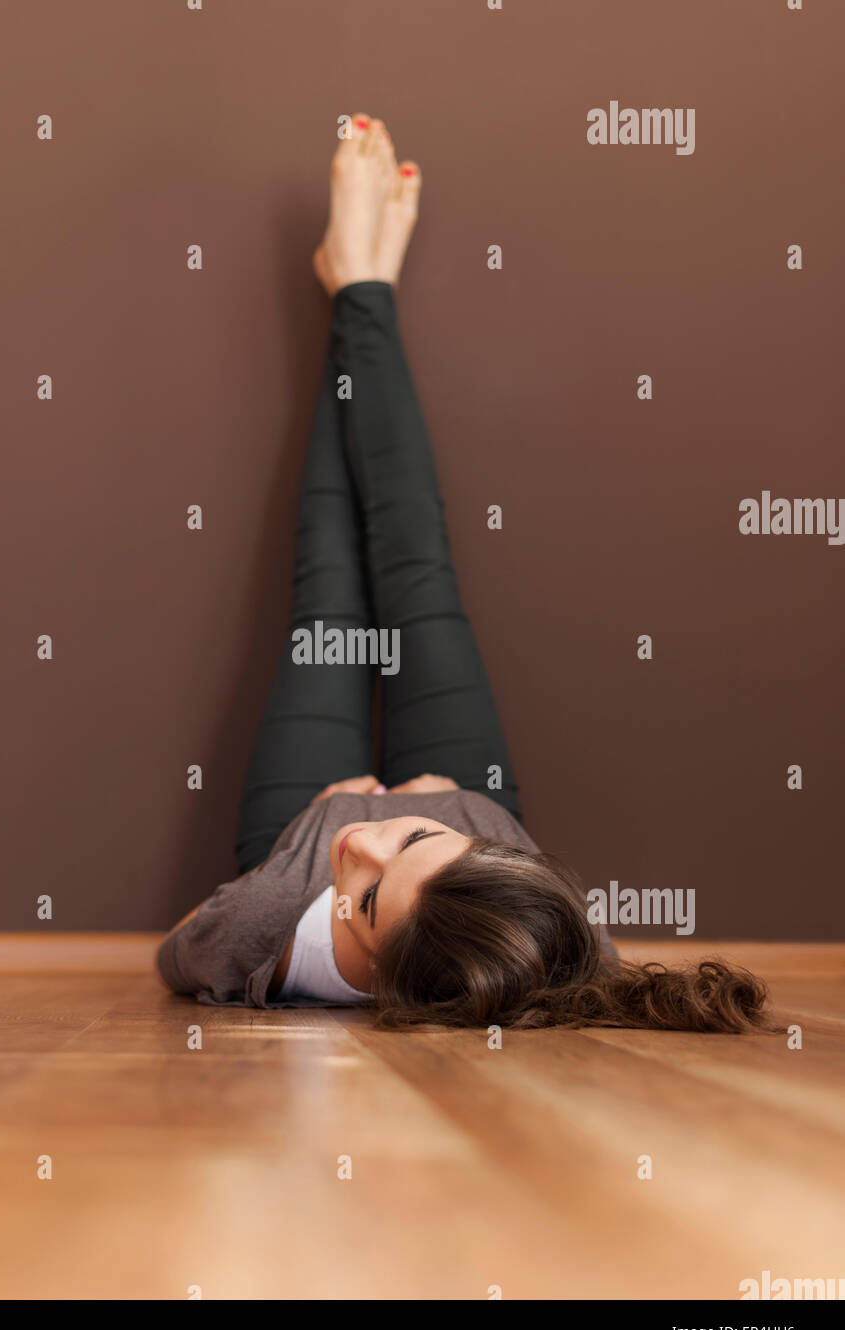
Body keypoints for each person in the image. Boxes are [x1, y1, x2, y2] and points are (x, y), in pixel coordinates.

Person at [157, 113, 773, 1033]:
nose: (362, 841)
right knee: (413, 564)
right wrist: (447, 813)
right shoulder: (555, 948)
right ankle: (362, 283)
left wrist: (318, 860)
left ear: (383, 990)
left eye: (364, 905)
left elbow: (174, 951)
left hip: (293, 828)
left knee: (329, 577)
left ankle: (357, 281)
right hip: (468, 790)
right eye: (405, 847)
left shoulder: (261, 932)